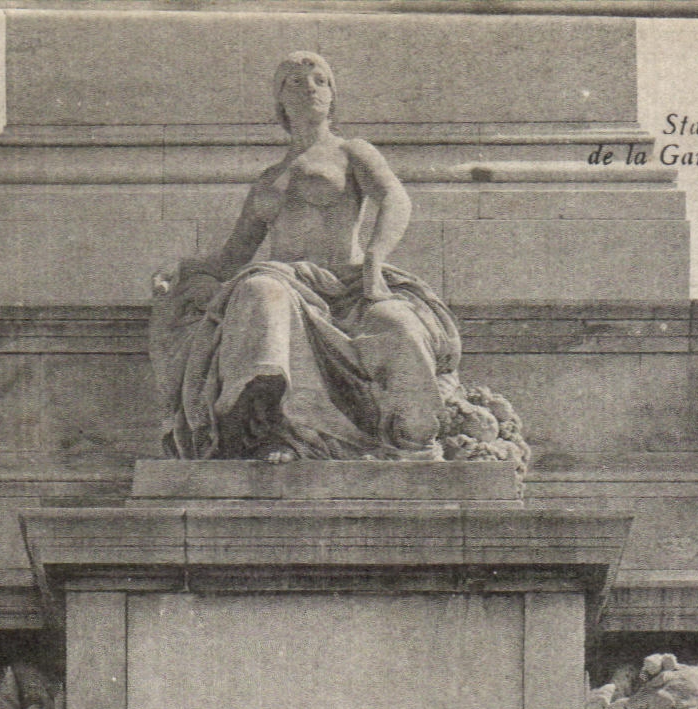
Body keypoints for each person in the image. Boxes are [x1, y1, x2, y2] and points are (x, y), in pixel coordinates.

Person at [150, 52, 465, 462]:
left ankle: (409, 439)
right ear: (279, 100)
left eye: (320, 80)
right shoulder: (268, 179)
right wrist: (183, 269)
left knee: (398, 324)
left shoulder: (352, 152)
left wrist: (374, 260)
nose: (310, 88)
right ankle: (276, 432)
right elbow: (233, 256)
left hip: (349, 285)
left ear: (333, 96)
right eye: (295, 82)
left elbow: (394, 197)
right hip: (287, 284)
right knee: (260, 291)